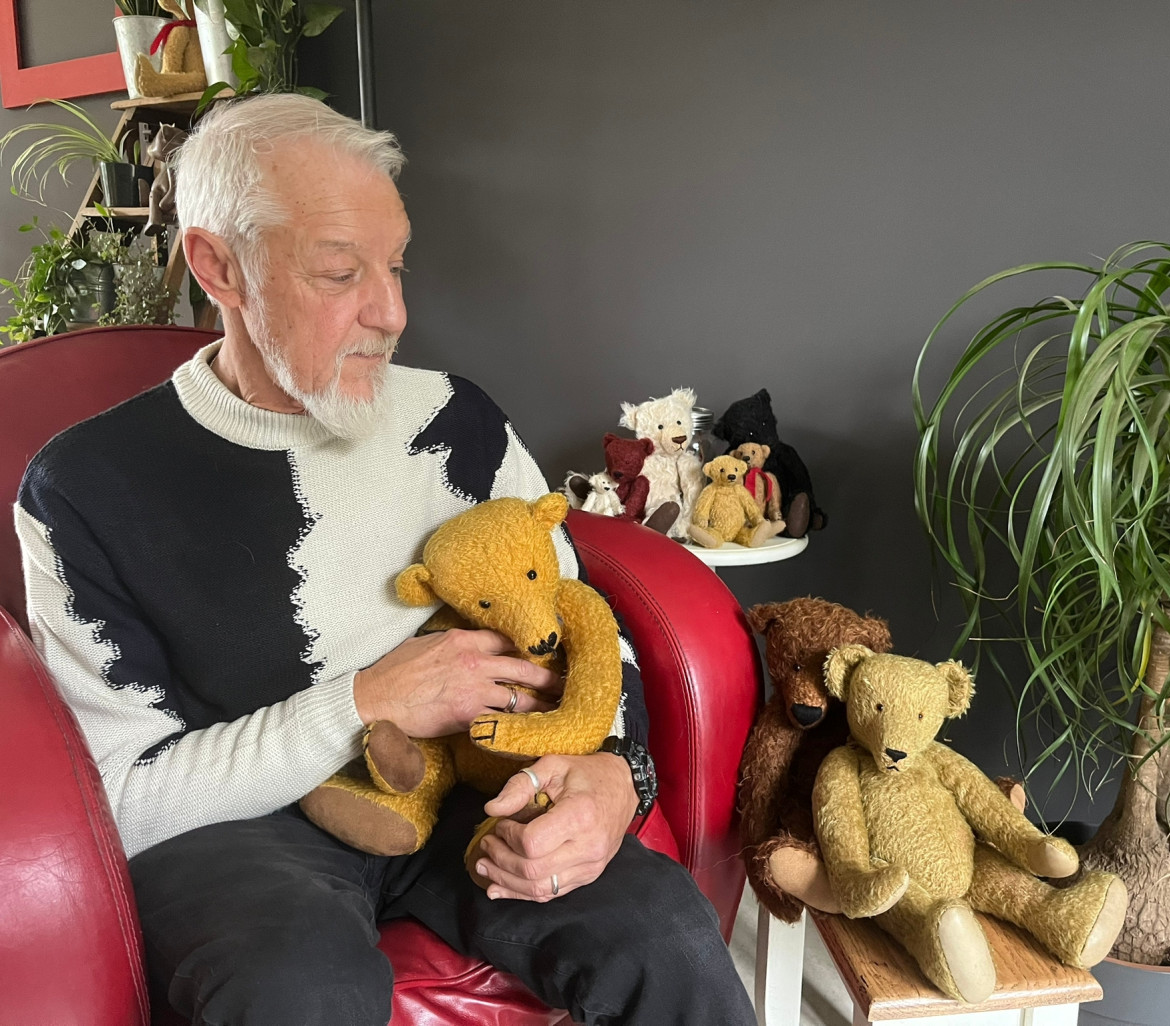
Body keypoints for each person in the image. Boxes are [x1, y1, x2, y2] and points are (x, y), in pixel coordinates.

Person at [15, 93, 756, 1026]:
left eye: (397, 265)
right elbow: (113, 802)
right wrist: (365, 703)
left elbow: (582, 626)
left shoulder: (456, 419)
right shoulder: (85, 487)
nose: (393, 311)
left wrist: (617, 775)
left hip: (467, 785)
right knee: (298, 991)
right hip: (235, 832)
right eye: (340, 273)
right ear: (218, 266)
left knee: (665, 935)